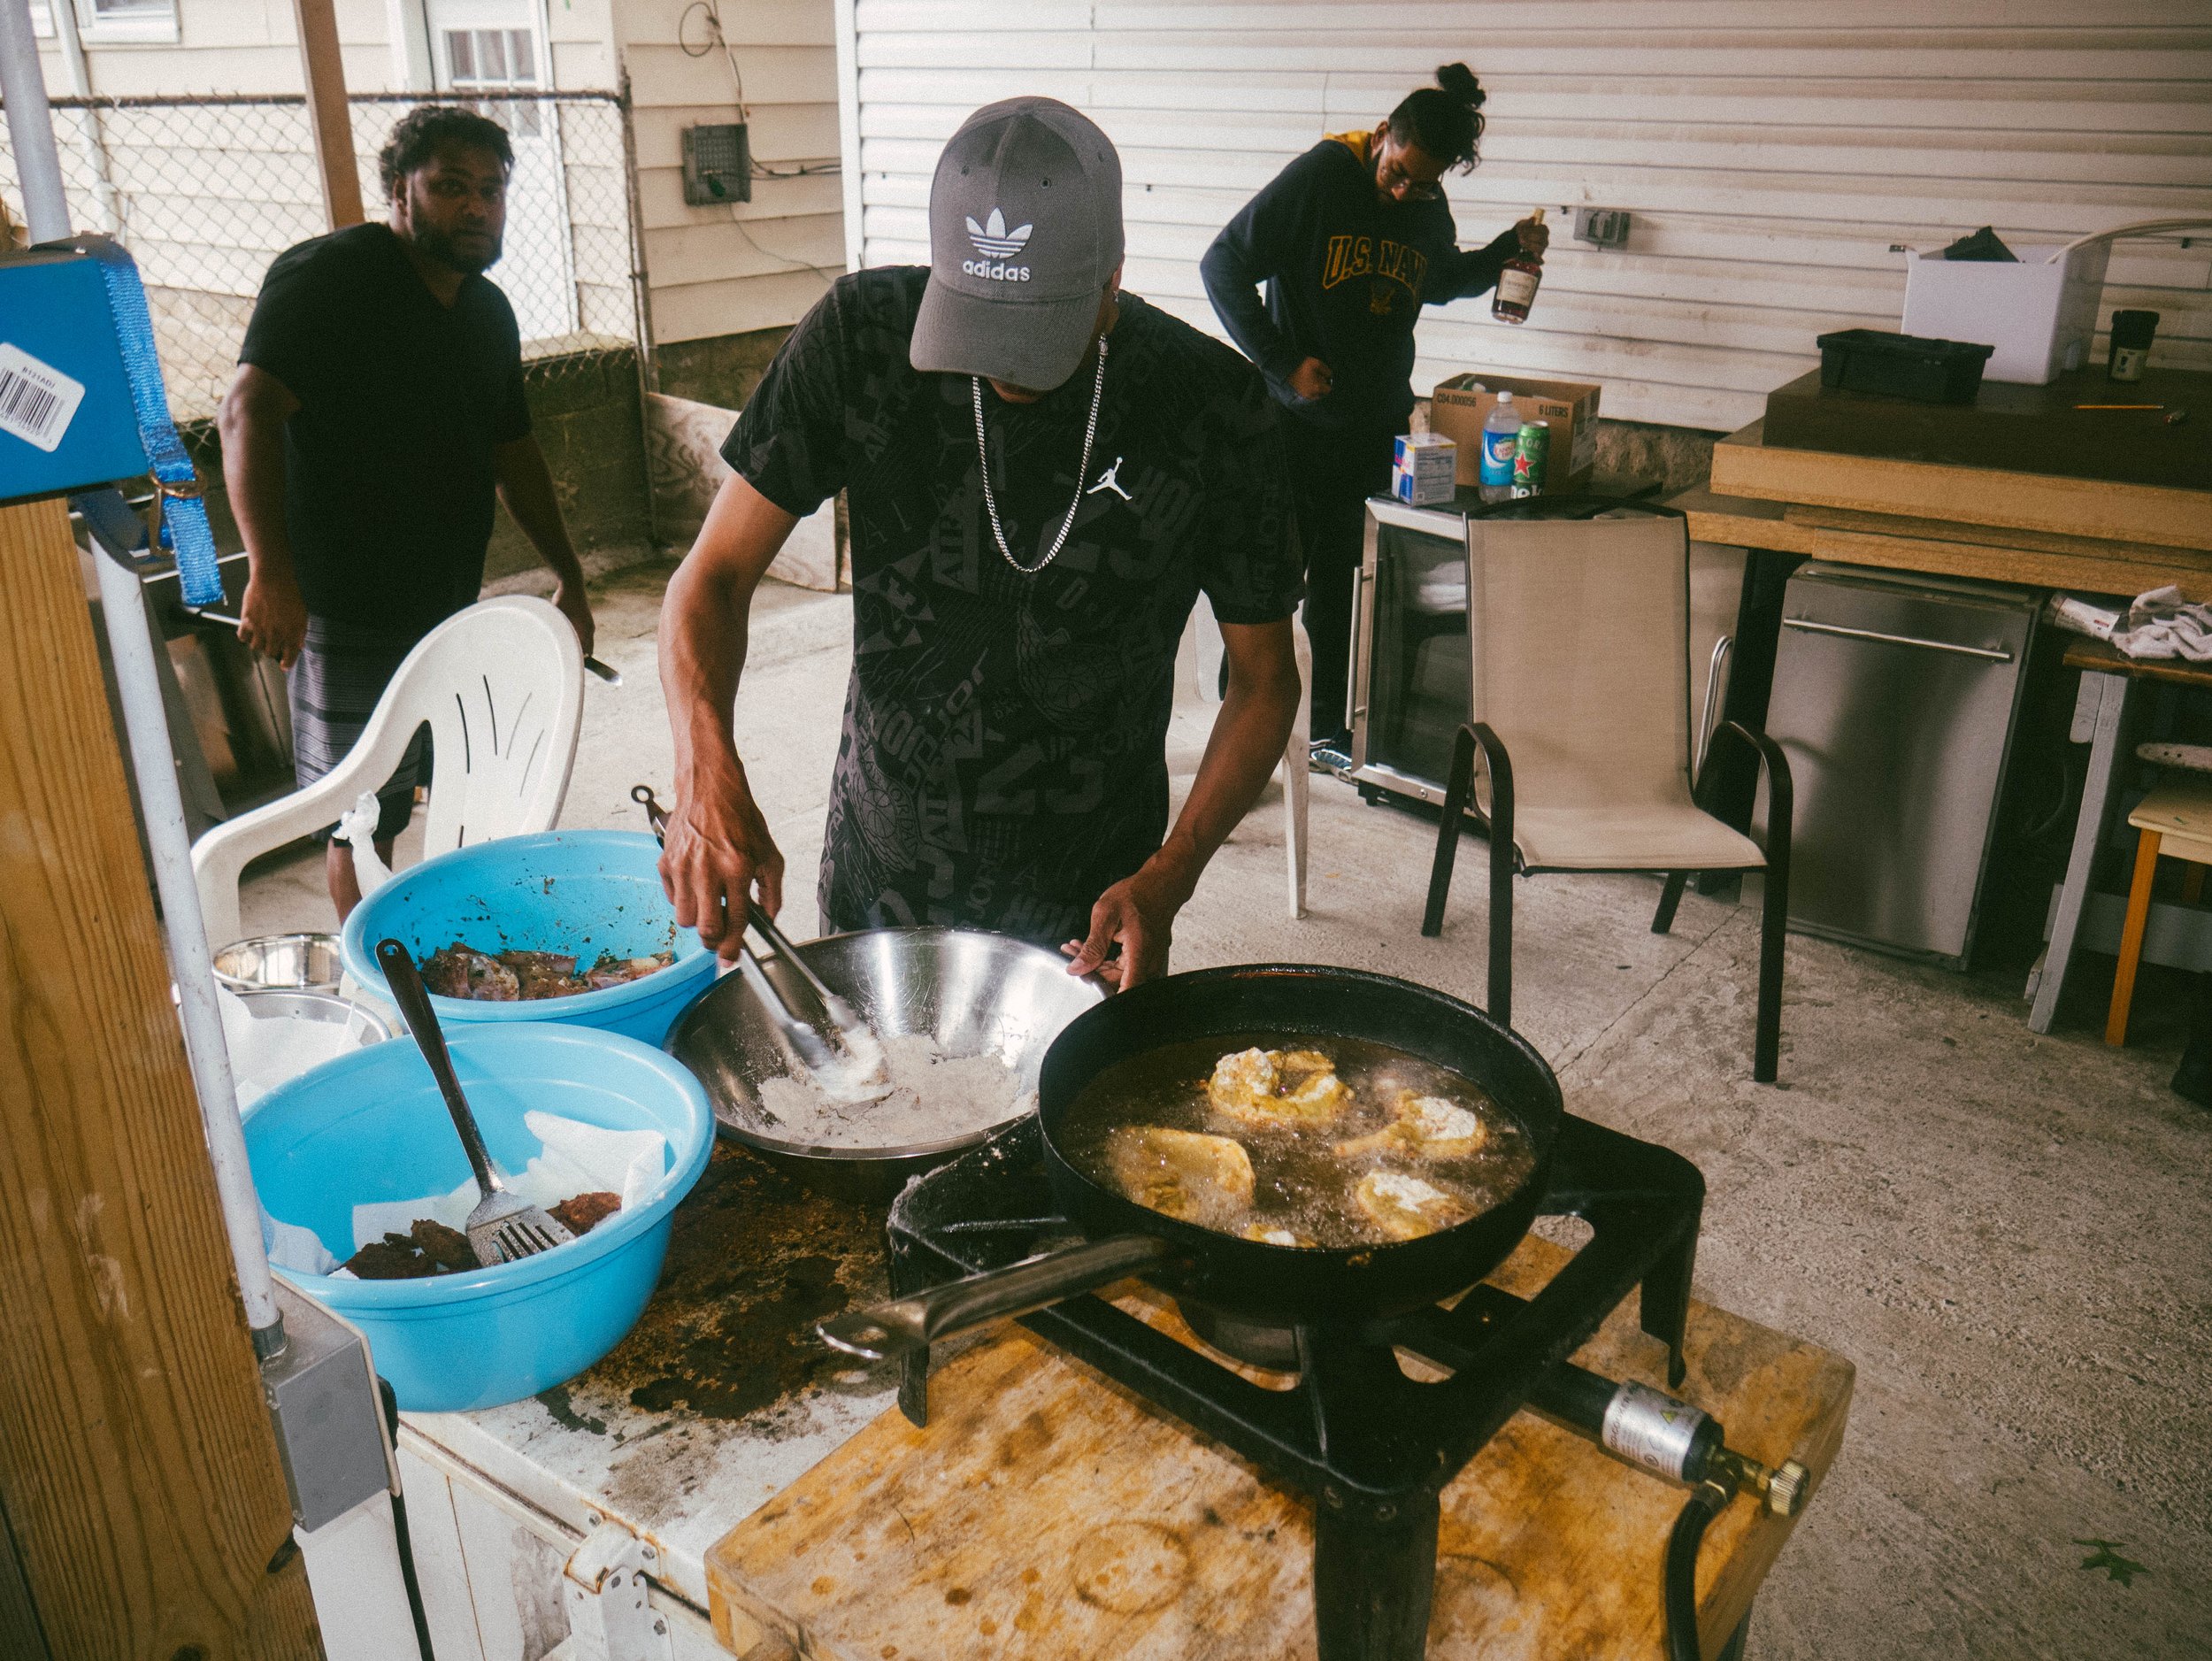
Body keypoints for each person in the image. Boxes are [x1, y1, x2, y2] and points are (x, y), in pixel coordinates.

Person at [657, 96, 1303, 988]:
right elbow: (713, 577)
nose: (1001, 369)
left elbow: (1264, 679)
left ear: (1110, 280)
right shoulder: (860, 336)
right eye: (975, 326)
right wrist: (703, 773)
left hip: (1093, 907)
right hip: (880, 877)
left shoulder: (1216, 408)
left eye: (1033, 336)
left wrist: (1169, 876)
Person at [220, 104, 595, 919]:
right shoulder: (328, 277)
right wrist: (271, 572)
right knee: (359, 817)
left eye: (492, 190)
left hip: (448, 608)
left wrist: (571, 576)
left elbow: (516, 453)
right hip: (345, 609)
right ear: (399, 190)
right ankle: (378, 972)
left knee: (453, 783)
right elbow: (246, 411)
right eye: (452, 186)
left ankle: (436, 946)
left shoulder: (487, 314)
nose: (476, 206)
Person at [1201, 64, 1548, 769]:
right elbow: (1224, 263)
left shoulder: (1425, 205)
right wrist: (1280, 361)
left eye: (1423, 182)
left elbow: (1439, 279)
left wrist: (1504, 252)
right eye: (1395, 172)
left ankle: (1325, 726)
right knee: (1272, 580)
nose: (1402, 191)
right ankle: (1237, 715)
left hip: (1374, 426)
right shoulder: (1324, 175)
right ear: (1383, 134)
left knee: (1345, 586)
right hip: (1295, 424)